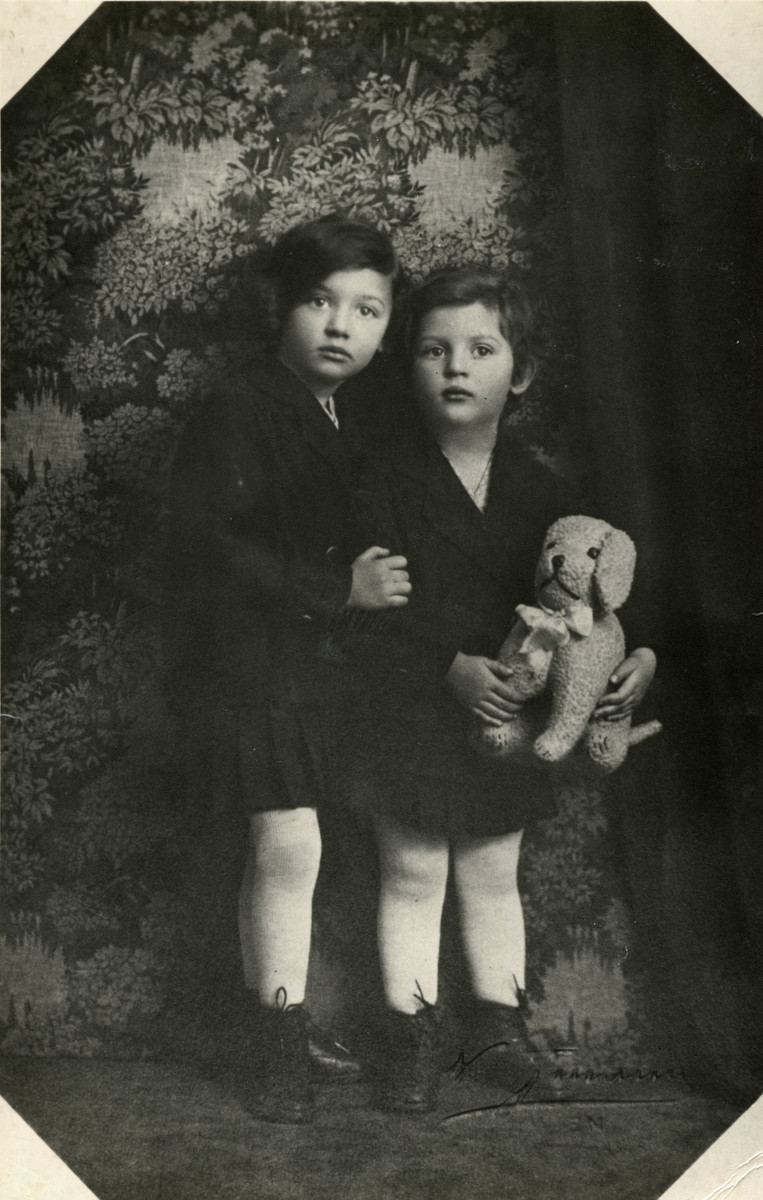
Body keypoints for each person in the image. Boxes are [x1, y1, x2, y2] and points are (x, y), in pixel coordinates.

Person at [347, 266, 657, 1112]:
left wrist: (635, 663)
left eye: (480, 349)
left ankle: (496, 1032)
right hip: (408, 711)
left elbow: (594, 603)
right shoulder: (375, 480)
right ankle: (409, 1042)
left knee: (491, 874)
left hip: (509, 725)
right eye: (434, 351)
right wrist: (443, 666)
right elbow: (356, 617)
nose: (456, 367)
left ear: (516, 373)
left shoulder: (547, 494)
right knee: (411, 873)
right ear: (407, 367)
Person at [162, 214, 410, 1125]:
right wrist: (334, 587)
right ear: (281, 307)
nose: (340, 325)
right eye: (319, 301)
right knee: (288, 845)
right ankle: (271, 1045)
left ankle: (293, 1023)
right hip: (250, 659)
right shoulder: (243, 403)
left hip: (321, 667)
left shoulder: (360, 413)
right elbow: (206, 545)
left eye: (366, 309)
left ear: (387, 327)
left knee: (329, 844)